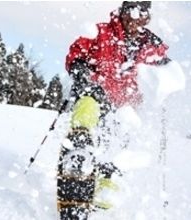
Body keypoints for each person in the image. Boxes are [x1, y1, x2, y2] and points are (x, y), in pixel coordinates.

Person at [57, 1, 170, 219]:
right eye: (130, 12)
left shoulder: (152, 47)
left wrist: (166, 78)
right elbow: (76, 52)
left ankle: (107, 182)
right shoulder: (101, 32)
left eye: (140, 14)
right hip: (96, 95)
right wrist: (80, 71)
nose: (133, 19)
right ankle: (79, 151)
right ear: (123, 12)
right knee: (88, 106)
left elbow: (167, 74)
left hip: (126, 107)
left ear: (147, 18)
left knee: (119, 142)